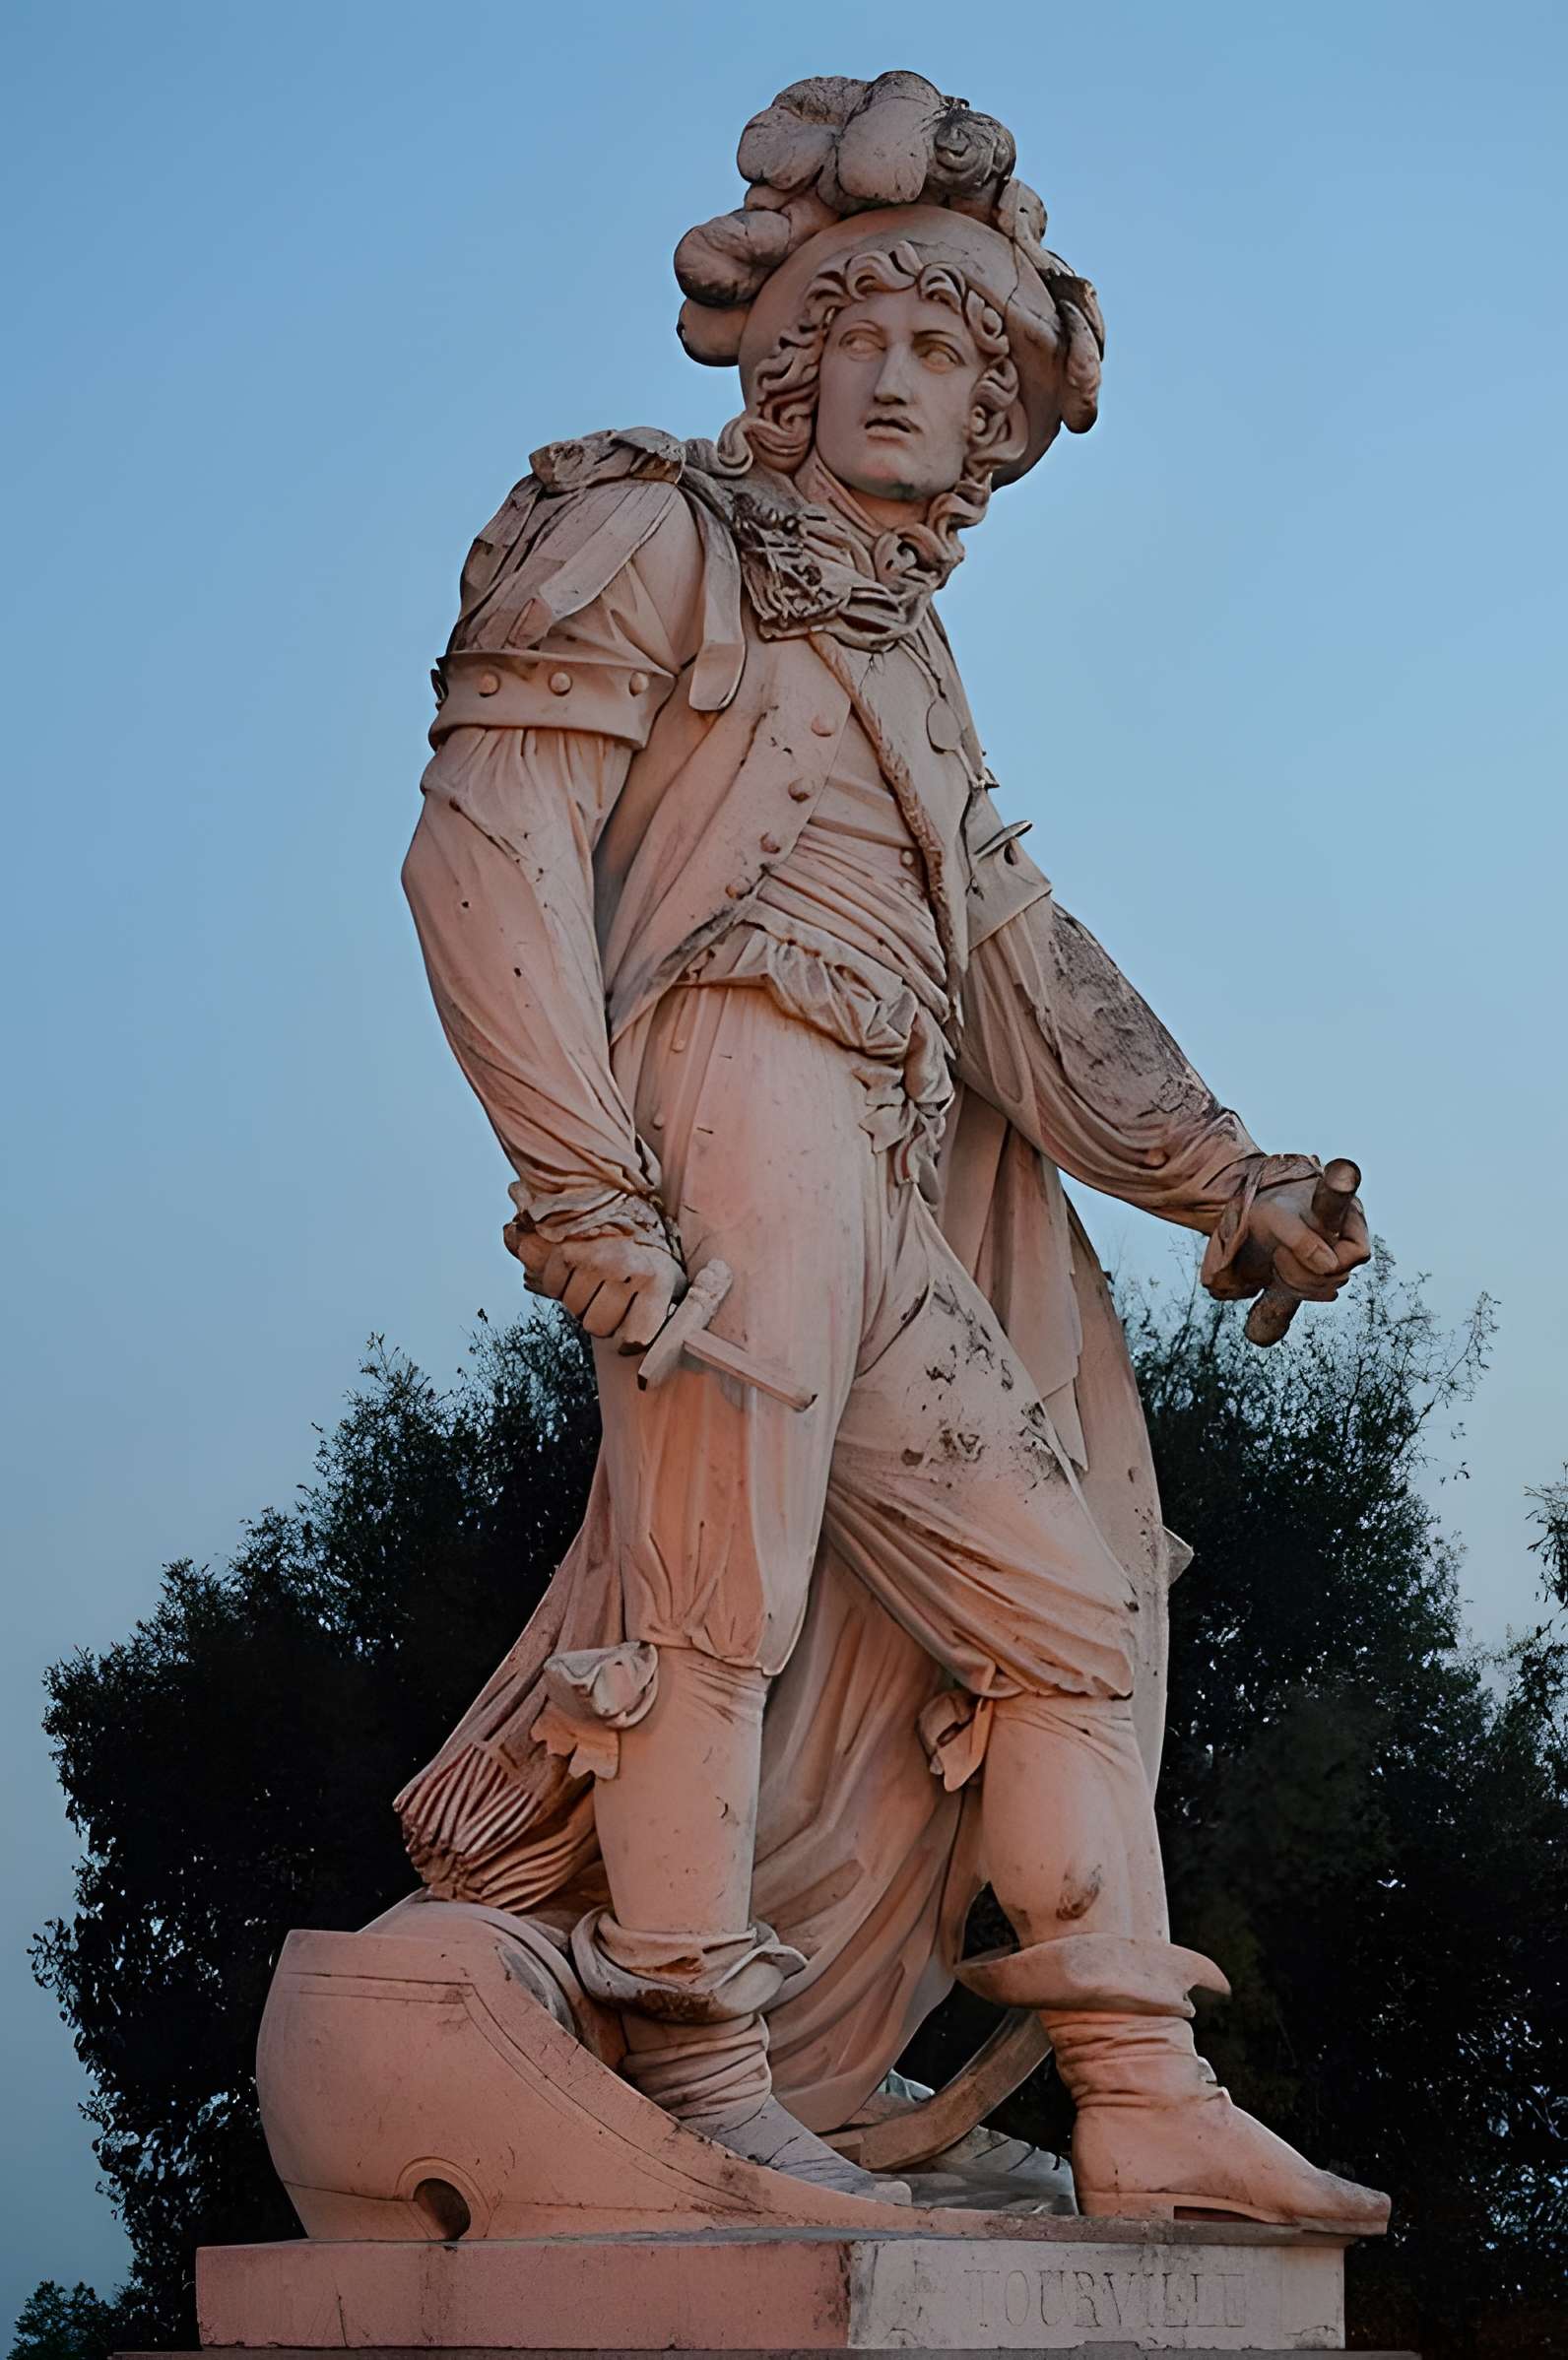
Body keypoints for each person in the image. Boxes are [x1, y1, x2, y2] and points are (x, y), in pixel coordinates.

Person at [398, 72, 1386, 2234]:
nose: (904, 377)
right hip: (728, 1080)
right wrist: (578, 1180)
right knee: (716, 1585)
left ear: (995, 429)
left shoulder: (916, 663)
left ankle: (1140, 2091)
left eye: (954, 352)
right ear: (792, 362)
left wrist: (1228, 1178)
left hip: (882, 1133)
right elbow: (485, 843)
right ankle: (701, 2065)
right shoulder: (648, 526)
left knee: (1063, 1608)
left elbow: (1018, 963)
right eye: (864, 332)